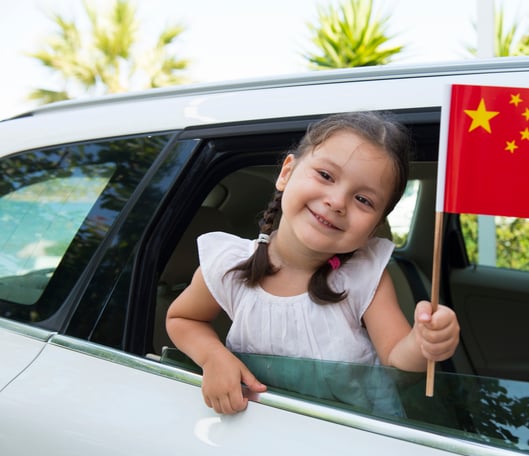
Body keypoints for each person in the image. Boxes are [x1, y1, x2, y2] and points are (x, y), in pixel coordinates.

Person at [166, 111, 461, 415]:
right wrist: (213, 357)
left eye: (363, 200)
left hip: (357, 438)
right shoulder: (230, 264)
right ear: (286, 173)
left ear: (373, 228)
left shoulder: (364, 277)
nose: (337, 201)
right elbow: (183, 319)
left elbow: (397, 363)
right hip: (262, 432)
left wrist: (424, 344)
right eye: (326, 175)